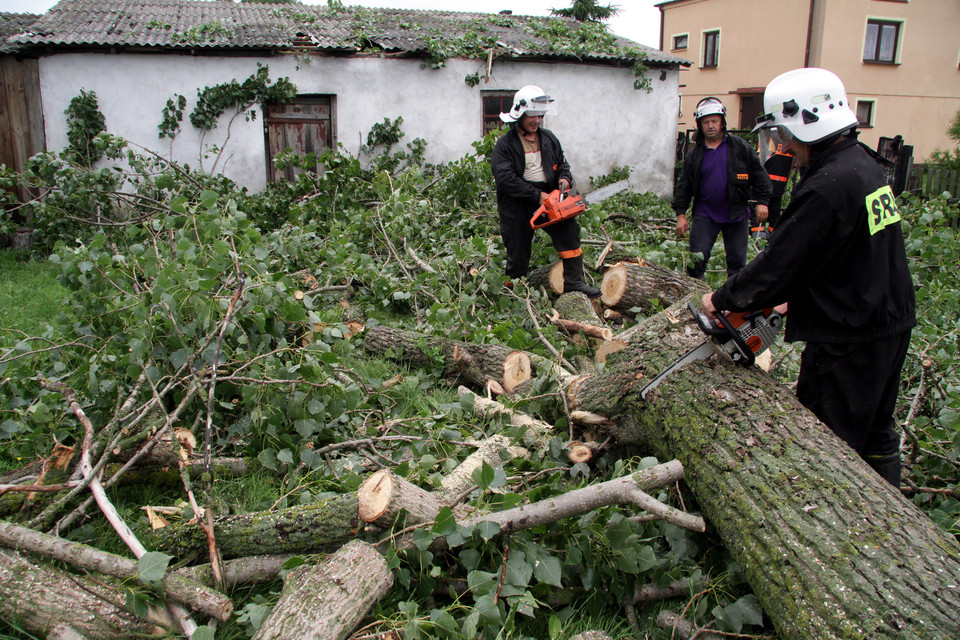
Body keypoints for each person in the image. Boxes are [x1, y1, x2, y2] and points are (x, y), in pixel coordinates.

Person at [699, 67, 916, 487]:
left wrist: (723, 299)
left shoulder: (827, 186)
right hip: (888, 319)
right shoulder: (864, 165)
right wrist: (794, 297)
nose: (783, 145)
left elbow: (779, 265)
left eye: (784, 133)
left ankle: (842, 523)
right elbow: (843, 252)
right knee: (876, 434)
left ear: (807, 121)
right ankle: (891, 509)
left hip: (849, 335)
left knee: (830, 442)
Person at [490, 85, 600, 298]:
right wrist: (537, 196)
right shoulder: (505, 145)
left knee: (569, 232)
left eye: (539, 115)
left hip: (550, 195)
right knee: (518, 251)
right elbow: (506, 180)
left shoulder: (548, 138)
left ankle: (574, 283)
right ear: (520, 113)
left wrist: (564, 180)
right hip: (518, 201)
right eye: (532, 114)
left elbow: (562, 164)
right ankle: (514, 294)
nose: (536, 119)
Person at [674, 97, 772, 279]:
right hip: (706, 213)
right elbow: (684, 186)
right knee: (697, 260)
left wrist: (763, 202)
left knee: (737, 263)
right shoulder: (694, 154)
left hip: (737, 213)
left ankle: (733, 302)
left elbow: (759, 175)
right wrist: (681, 214)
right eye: (706, 122)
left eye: (714, 121)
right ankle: (696, 297)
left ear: (722, 122)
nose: (711, 125)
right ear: (700, 125)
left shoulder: (739, 147)